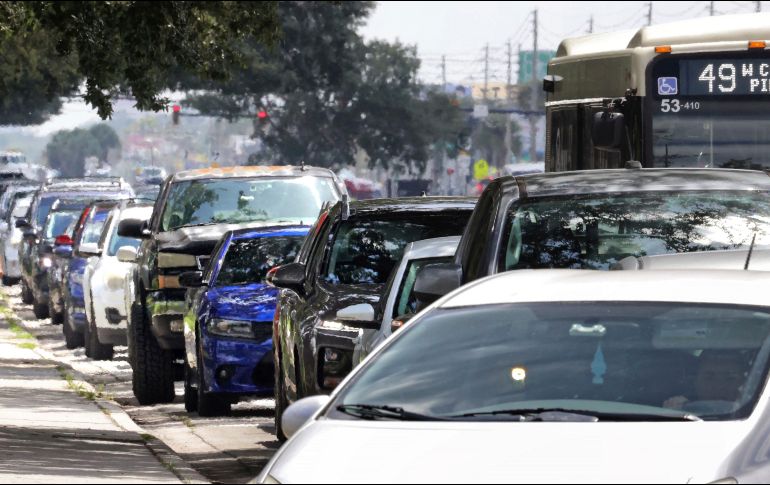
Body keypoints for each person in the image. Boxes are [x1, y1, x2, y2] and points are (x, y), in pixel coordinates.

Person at [663, 350, 750, 410]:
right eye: (709, 378)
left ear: (743, 382)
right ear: (695, 381)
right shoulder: (681, 410)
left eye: (730, 378)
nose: (719, 386)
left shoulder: (759, 417)